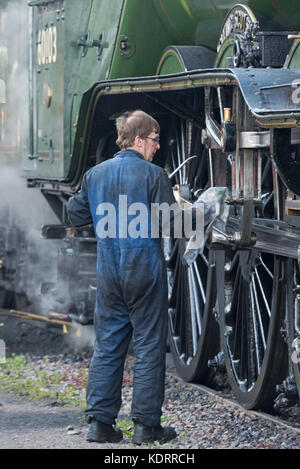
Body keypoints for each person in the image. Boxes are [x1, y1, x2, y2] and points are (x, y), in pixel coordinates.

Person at [67, 110, 180, 445]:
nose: (158, 146)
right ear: (139, 140)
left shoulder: (95, 175)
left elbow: (74, 213)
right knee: (148, 347)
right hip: (144, 271)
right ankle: (146, 427)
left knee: (108, 346)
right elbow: (172, 224)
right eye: (156, 140)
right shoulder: (154, 176)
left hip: (110, 274)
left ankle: (100, 424)